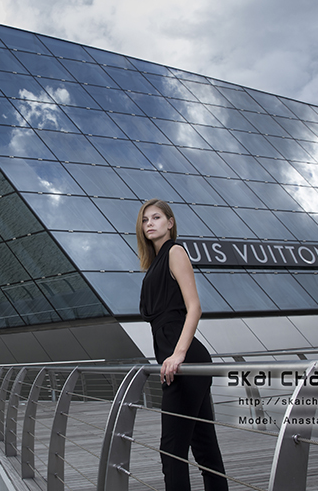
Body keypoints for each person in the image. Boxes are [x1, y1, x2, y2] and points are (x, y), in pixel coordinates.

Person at [137, 198, 227, 491]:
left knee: (172, 451)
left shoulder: (175, 252)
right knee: (204, 448)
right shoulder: (154, 265)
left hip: (185, 361)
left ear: (170, 223)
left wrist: (178, 354)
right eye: (145, 220)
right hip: (180, 363)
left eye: (156, 217)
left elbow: (195, 307)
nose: (150, 224)